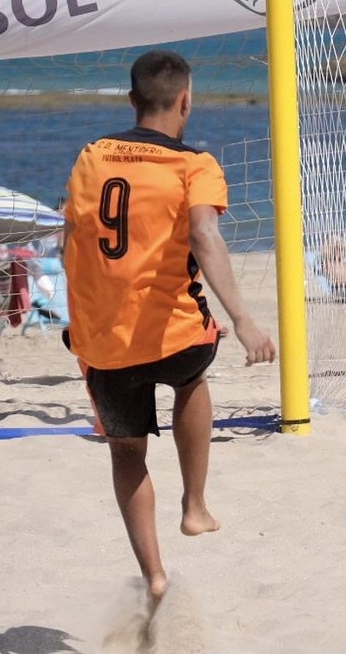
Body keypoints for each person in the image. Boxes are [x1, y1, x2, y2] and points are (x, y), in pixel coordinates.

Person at [60, 50, 276, 604]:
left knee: (126, 452)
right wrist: (245, 319)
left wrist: (82, 318)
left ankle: (154, 574)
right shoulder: (194, 164)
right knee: (191, 380)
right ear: (187, 100)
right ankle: (195, 506)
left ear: (131, 102)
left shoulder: (92, 155)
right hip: (171, 331)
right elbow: (205, 236)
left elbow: (71, 242)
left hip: (103, 341)